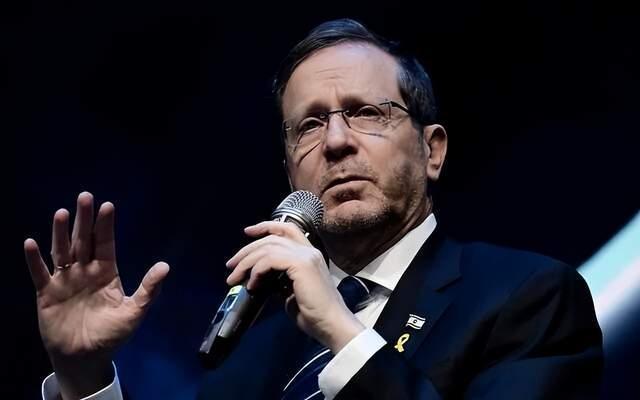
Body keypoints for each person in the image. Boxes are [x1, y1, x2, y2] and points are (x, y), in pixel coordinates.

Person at [25, 19, 602, 400]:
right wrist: (83, 378)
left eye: (367, 113)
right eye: (308, 126)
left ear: (432, 150)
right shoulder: (247, 364)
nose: (336, 142)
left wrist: (340, 330)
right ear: (289, 173)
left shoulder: (527, 297)